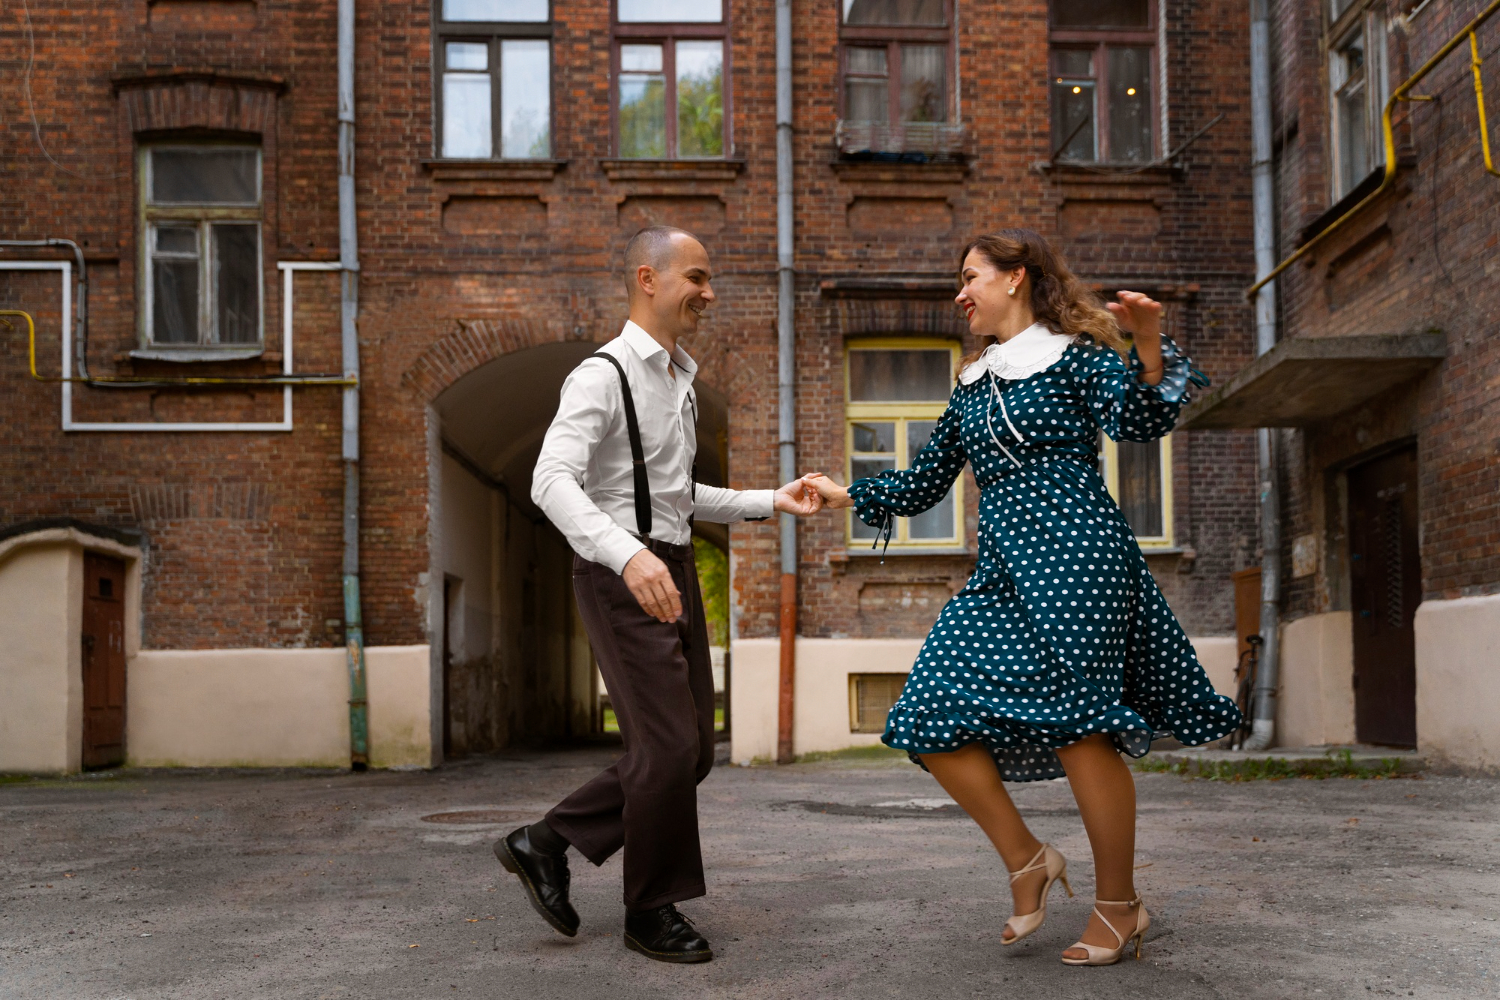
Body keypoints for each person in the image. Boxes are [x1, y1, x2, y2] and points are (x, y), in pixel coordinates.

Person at [805, 229, 1241, 966]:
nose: (960, 293)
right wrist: (846, 492)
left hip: (1079, 558)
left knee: (1081, 728)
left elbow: (1140, 418)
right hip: (1005, 569)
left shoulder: (1075, 358)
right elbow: (920, 483)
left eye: (970, 277)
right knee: (927, 708)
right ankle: (1027, 859)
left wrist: (1149, 336)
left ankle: (1118, 906)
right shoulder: (975, 380)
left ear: (1016, 279)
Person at [499, 226, 823, 964]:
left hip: (667, 566)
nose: (709, 294)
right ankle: (651, 909)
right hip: (623, 575)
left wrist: (770, 498)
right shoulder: (602, 375)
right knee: (670, 747)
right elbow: (549, 480)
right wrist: (625, 555)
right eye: (698, 278)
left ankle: (543, 841)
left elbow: (674, 494)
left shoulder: (674, 376)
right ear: (649, 278)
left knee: (690, 752)